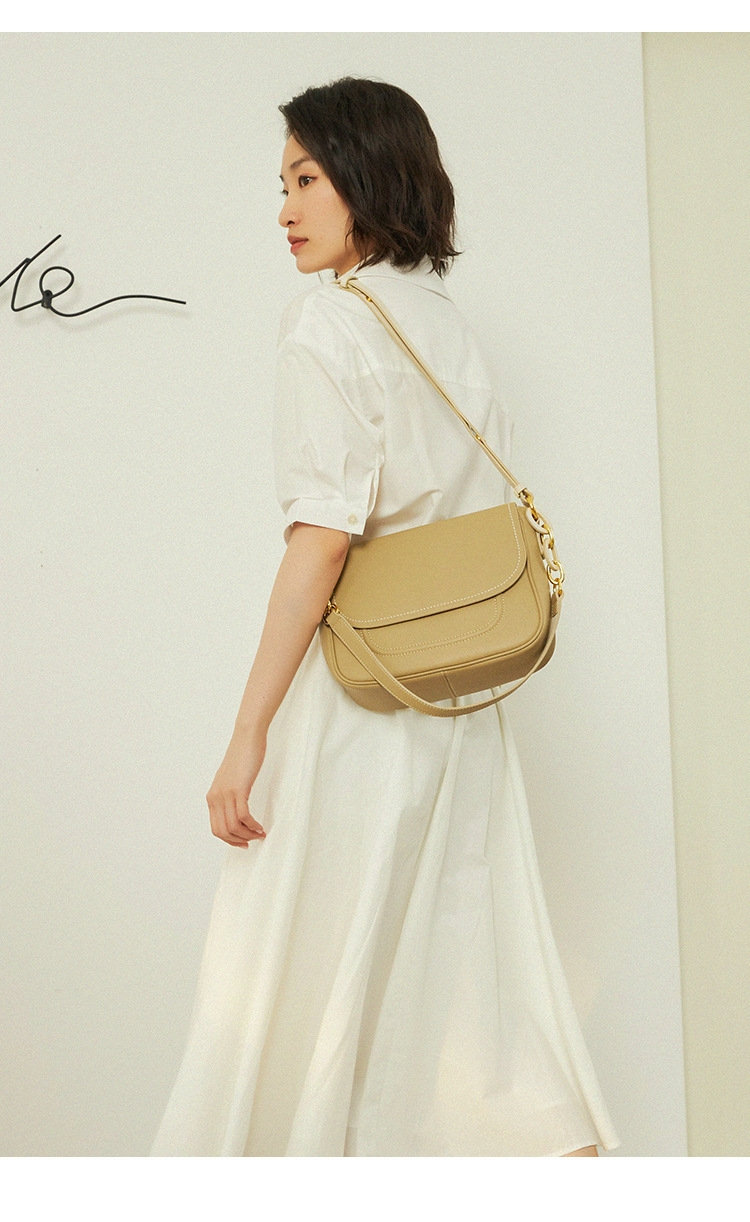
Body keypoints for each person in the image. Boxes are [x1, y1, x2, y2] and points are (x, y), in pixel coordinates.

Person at [151, 76, 619, 1157]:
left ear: (366, 175)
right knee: (462, 980)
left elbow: (322, 539)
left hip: (363, 699)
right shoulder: (446, 324)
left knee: (305, 971)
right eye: (283, 185)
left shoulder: (328, 321)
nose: (283, 210)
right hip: (464, 701)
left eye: (305, 179)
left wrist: (249, 731)